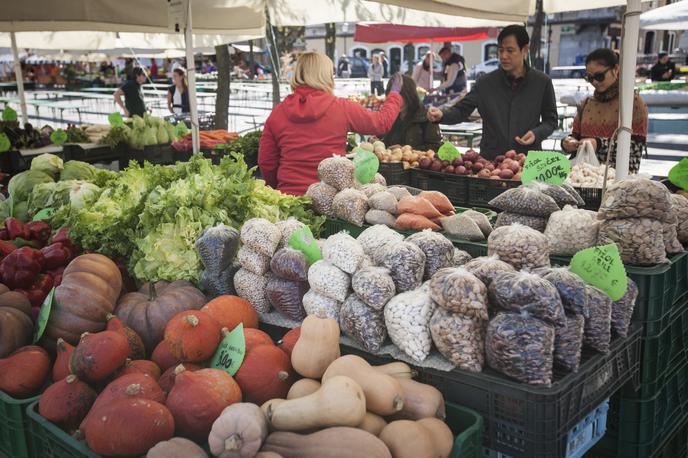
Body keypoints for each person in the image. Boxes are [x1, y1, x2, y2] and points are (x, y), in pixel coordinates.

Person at [258, 52, 403, 196]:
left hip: (289, 199)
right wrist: (395, 94)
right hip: (329, 200)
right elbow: (381, 123)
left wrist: (277, 188)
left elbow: (266, 161)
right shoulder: (341, 107)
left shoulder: (278, 112)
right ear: (326, 76)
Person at [427, 25, 557, 160]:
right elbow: (462, 110)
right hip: (491, 161)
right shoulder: (485, 83)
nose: (503, 56)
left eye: (510, 50)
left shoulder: (542, 82)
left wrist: (536, 133)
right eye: (500, 50)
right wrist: (442, 115)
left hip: (528, 160)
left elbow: (551, 120)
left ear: (524, 50)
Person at [562, 48, 648, 174]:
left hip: (618, 180)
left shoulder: (632, 103)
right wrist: (567, 143)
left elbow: (635, 148)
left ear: (615, 69)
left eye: (599, 76)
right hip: (583, 178)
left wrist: (599, 144)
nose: (595, 82)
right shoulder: (586, 103)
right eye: (590, 78)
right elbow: (575, 136)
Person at [381, 75, 442, 151]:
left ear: (409, 95)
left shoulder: (427, 116)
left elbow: (436, 147)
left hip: (417, 162)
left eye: (398, 96)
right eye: (391, 97)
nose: (395, 101)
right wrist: (376, 142)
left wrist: (406, 150)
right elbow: (383, 140)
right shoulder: (390, 115)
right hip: (390, 161)